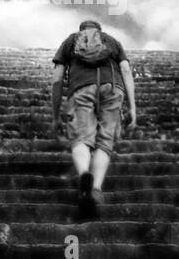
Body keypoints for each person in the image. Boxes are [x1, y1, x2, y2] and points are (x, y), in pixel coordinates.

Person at [50, 20, 137, 217]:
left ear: (81, 30)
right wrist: (132, 107)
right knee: (105, 141)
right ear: (99, 30)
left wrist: (55, 115)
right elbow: (125, 70)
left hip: (80, 87)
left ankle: (83, 173)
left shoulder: (71, 41)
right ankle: (96, 188)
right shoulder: (112, 41)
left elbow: (57, 79)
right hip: (113, 87)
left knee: (81, 137)